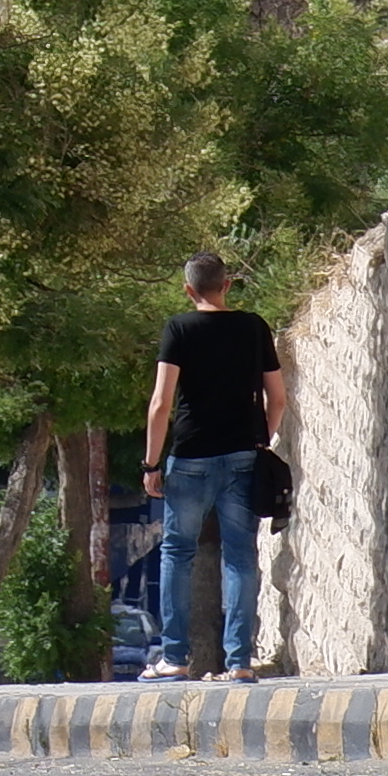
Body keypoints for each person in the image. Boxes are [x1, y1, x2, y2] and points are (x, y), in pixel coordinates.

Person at [140, 250, 286, 676]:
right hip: (244, 454)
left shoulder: (179, 329)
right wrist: (263, 439)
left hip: (189, 457)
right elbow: (277, 398)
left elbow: (160, 403)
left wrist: (151, 464)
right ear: (227, 285)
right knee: (241, 556)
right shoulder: (253, 327)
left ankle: (173, 658)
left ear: (189, 290)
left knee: (177, 552)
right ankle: (239, 662)